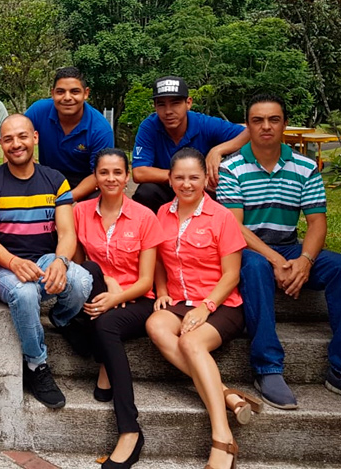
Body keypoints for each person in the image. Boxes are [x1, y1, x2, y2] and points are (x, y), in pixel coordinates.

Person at [218, 93, 341, 409]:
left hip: (290, 246)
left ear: (284, 124)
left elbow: (316, 223)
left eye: (274, 119)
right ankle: (267, 367)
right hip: (248, 250)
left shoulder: (305, 167)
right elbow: (235, 228)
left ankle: (338, 366)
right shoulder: (232, 168)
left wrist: (304, 260)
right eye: (257, 120)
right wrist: (277, 260)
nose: (266, 127)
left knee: (338, 267)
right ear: (248, 126)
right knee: (256, 267)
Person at [146, 148, 260, 469]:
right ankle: (226, 394)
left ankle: (222, 436)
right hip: (181, 301)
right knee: (155, 324)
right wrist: (164, 290)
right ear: (169, 180)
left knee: (191, 342)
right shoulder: (161, 214)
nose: (186, 184)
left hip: (221, 303)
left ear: (205, 180)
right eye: (179, 177)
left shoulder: (221, 216)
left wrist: (206, 307)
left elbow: (232, 274)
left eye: (194, 177)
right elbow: (157, 260)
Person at [0, 114, 92, 409]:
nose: (16, 144)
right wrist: (14, 262)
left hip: (43, 259)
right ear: (2, 145)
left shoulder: (55, 180)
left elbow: (67, 233)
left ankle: (62, 318)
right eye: (9, 139)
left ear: (35, 138)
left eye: (22, 137)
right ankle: (36, 365)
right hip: (3, 267)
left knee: (81, 281)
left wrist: (61, 261)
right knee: (25, 293)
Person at [72, 148, 165, 468]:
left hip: (138, 302)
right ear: (95, 178)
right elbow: (77, 263)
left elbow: (146, 280)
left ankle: (130, 430)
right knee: (92, 275)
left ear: (127, 178)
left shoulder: (144, 217)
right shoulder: (79, 212)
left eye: (117, 173)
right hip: (99, 296)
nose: (110, 178)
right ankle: (104, 360)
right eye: (103, 173)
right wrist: (109, 284)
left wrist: (116, 295)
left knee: (106, 324)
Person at [131, 76, 249, 213]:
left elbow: (250, 133)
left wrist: (218, 150)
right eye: (161, 104)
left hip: (200, 190)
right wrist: (183, 177)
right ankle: (152, 232)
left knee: (222, 191)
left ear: (188, 103)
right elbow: (139, 172)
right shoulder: (149, 126)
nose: (168, 111)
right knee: (146, 192)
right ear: (155, 106)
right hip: (168, 188)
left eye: (175, 103)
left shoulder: (205, 124)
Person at [25, 67, 114, 202]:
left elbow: (99, 173)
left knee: (103, 197)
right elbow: (17, 138)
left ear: (86, 93)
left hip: (85, 179)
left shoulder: (100, 129)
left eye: (75, 92)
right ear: (53, 93)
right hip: (48, 175)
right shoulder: (38, 111)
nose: (67, 98)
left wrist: (65, 199)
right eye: (61, 92)